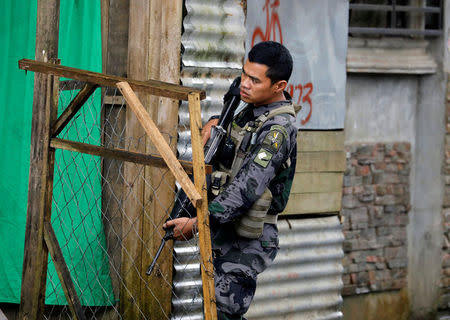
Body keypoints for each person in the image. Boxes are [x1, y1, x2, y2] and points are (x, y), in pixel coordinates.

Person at [164, 41, 298, 320]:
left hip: (247, 239)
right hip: (225, 228)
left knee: (223, 312)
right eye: (244, 74)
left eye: (254, 79)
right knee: (214, 310)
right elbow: (234, 145)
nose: (244, 84)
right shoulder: (251, 108)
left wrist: (198, 223)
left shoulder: (278, 129)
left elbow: (248, 186)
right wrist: (216, 122)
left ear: (278, 85)